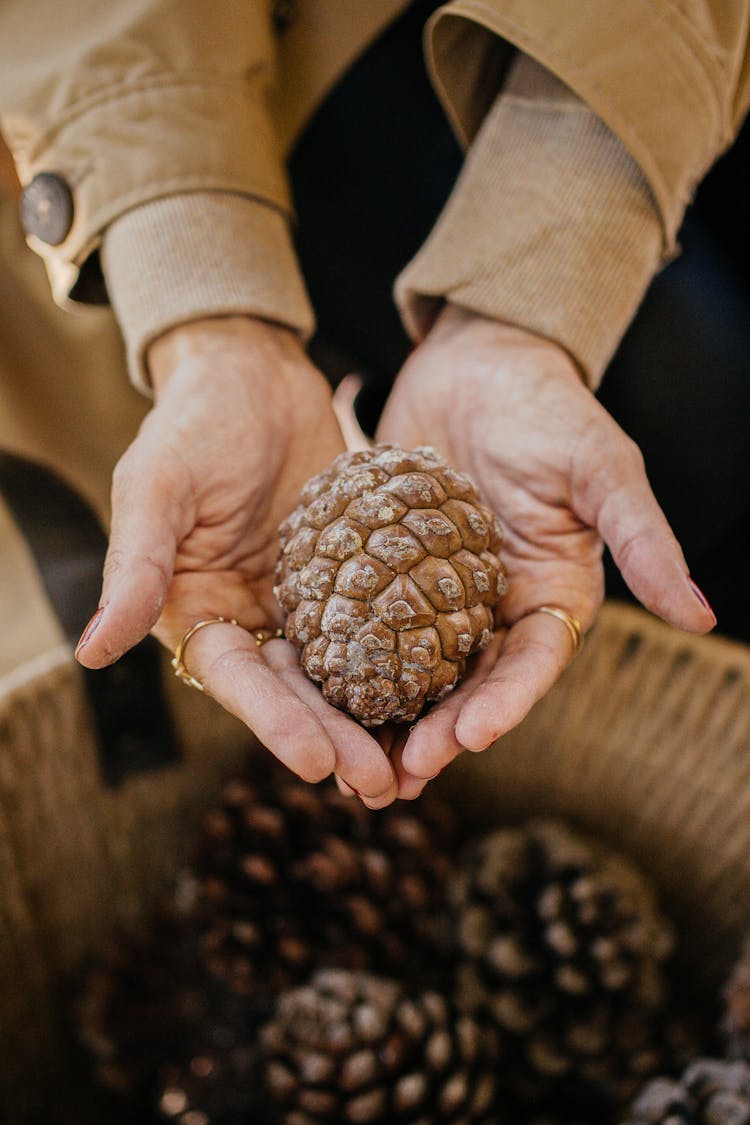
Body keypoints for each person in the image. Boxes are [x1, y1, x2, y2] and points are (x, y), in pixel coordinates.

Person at [0, 1, 746, 808]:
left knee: (691, 392)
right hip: (174, 70)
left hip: (490, 35)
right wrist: (205, 314)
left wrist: (549, 250)